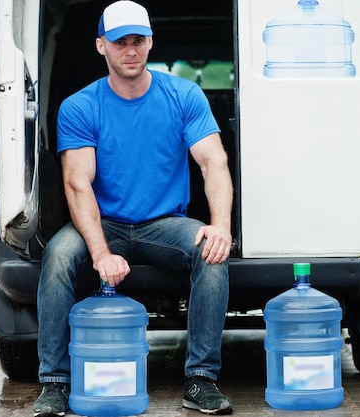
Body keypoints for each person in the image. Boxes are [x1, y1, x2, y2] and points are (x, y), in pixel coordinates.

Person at [33, 1, 234, 416]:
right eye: (120, 41)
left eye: (138, 41)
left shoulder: (183, 95)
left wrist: (220, 225)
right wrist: (101, 252)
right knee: (57, 256)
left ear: (150, 43)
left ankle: (201, 380)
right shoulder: (81, 106)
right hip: (101, 222)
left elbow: (213, 160)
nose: (131, 50)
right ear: (101, 45)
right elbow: (77, 181)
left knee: (211, 253)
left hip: (163, 224)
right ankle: (54, 383)